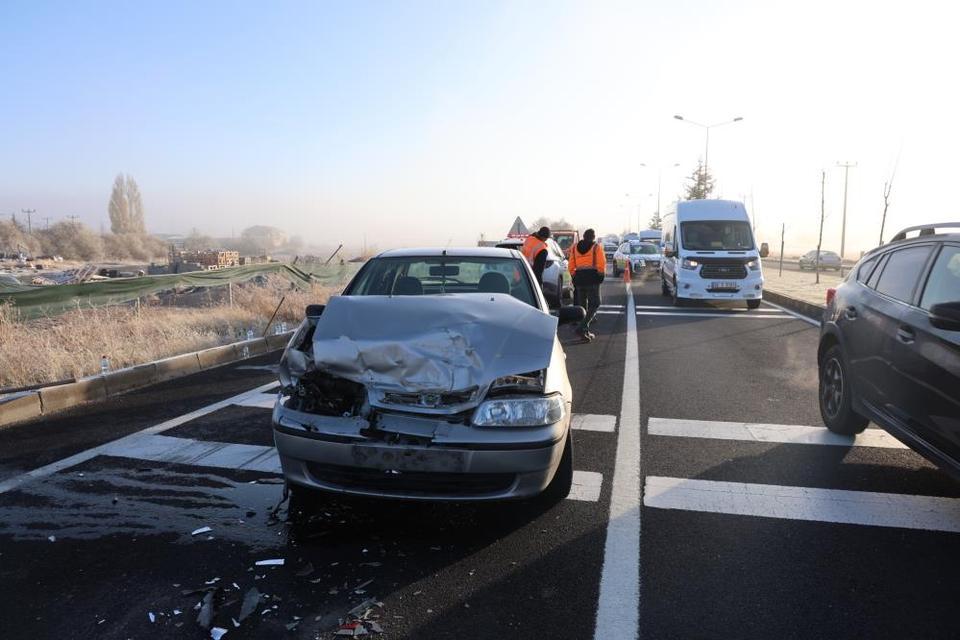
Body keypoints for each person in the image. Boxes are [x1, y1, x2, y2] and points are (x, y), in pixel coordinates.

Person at [568, 228, 606, 341]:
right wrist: (601, 276)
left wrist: (574, 276)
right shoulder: (596, 247)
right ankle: (582, 328)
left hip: (579, 280)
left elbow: (571, 265)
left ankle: (585, 331)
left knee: (583, 307)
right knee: (595, 304)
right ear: (593, 237)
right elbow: (601, 263)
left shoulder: (575, 247)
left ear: (584, 236)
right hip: (592, 279)